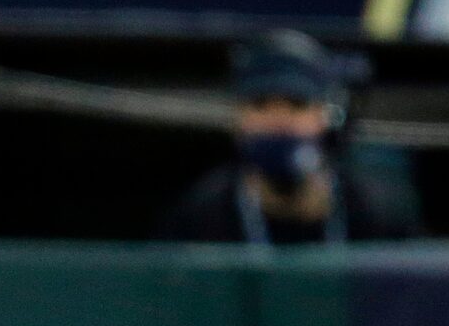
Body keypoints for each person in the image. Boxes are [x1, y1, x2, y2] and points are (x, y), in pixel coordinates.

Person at [155, 29, 420, 247]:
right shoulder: (200, 217)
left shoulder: (375, 215)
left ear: (325, 116)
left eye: (296, 105)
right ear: (237, 120)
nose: (278, 122)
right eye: (261, 105)